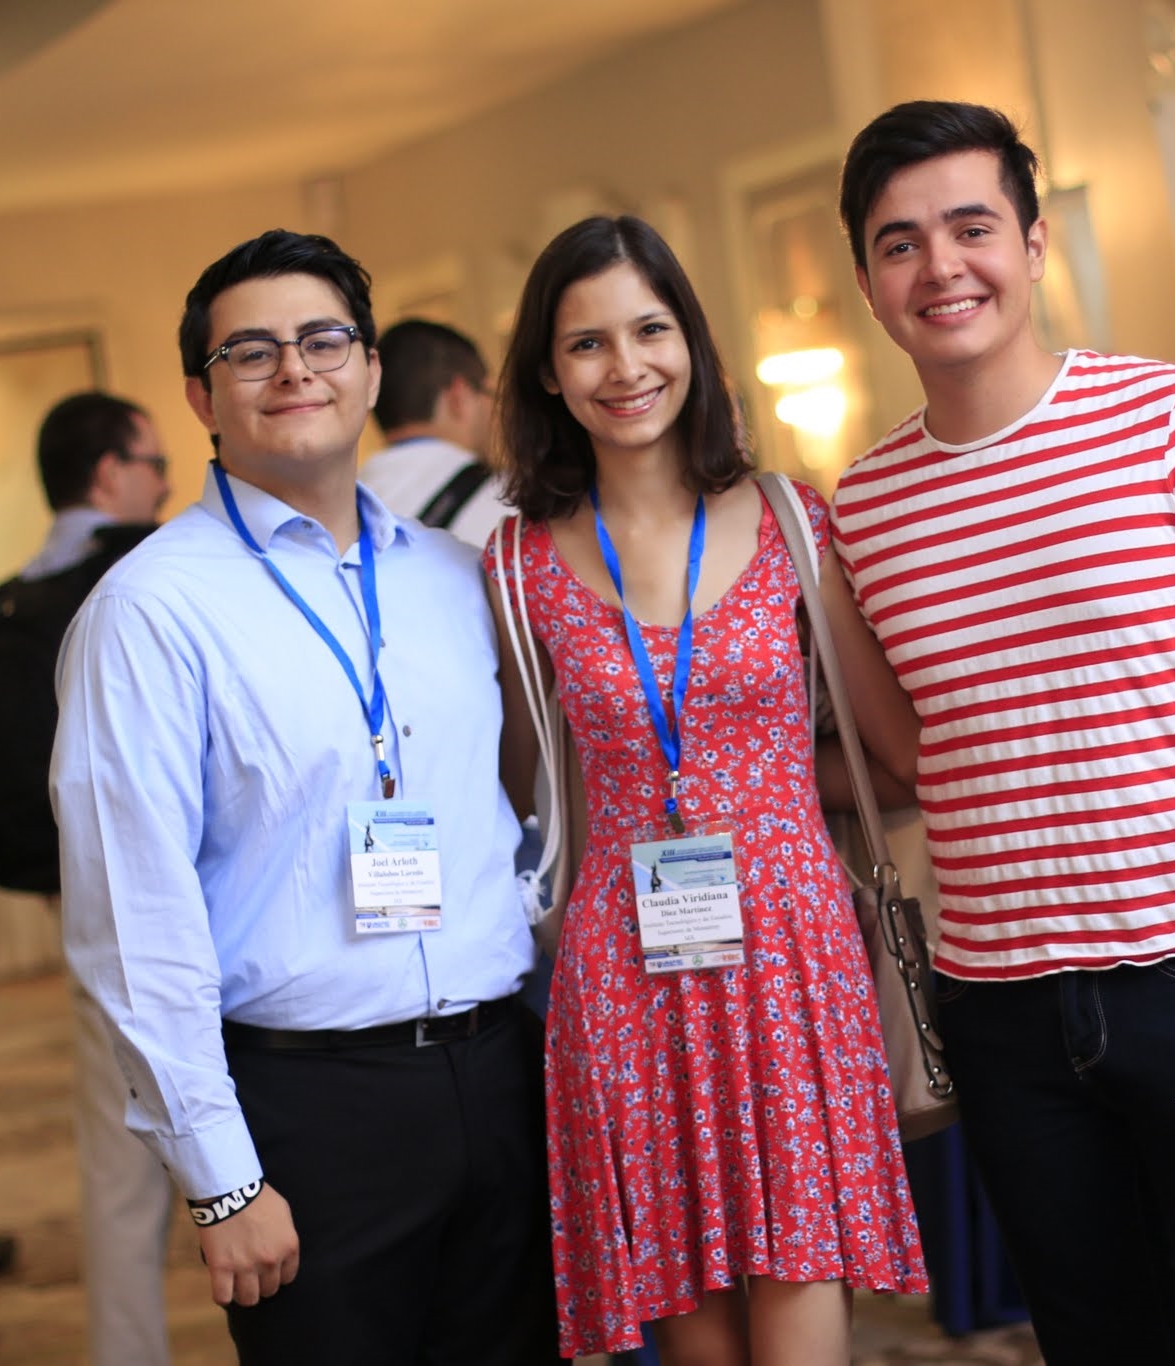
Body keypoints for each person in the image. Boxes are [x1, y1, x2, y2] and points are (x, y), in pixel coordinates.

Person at [831, 101, 1175, 1365]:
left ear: (1035, 239)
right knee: (1096, 1339)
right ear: (866, 282)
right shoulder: (862, 504)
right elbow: (907, 754)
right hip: (999, 1007)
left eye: (969, 227)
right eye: (900, 244)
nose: (939, 267)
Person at [51, 229, 553, 1364]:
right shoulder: (149, 611)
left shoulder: (452, 575)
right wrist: (223, 1182)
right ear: (200, 395)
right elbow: (134, 920)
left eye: (324, 339)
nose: (296, 369)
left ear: (371, 370)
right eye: (252, 350)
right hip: (310, 1110)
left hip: (498, 1076)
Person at [484, 214, 928, 1363]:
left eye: (649, 329)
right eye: (586, 344)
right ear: (547, 369)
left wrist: (770, 789)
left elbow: (893, 760)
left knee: (798, 1293)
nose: (624, 367)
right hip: (621, 961)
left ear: (693, 342)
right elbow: (516, 788)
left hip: (787, 948)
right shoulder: (516, 563)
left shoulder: (791, 521)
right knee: (691, 1330)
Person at [0, 391, 169, 1366]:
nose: (165, 483)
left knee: (115, 1159)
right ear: (109, 475)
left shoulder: (10, 595)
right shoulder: (148, 570)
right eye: (154, 464)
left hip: (72, 889)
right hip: (171, 889)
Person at [359, 318, 515, 547]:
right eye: (490, 394)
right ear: (459, 396)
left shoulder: (342, 506)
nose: (495, 411)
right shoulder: (509, 502)